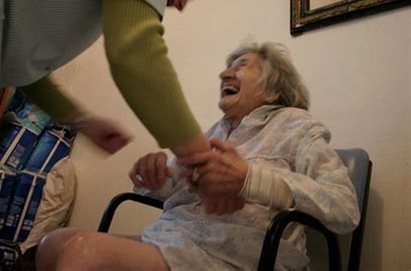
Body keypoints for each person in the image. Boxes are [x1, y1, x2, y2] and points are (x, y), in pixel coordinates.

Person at [35, 41, 360, 270]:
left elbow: (344, 208)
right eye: (226, 67)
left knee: (83, 253)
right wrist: (155, 177)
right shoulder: (215, 132)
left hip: (240, 255)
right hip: (177, 240)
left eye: (241, 66)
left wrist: (253, 180)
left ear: (273, 85)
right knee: (53, 244)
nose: (224, 74)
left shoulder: (296, 126)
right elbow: (175, 189)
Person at [0, 0, 223, 176]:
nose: (184, 5)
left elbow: (25, 63)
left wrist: (82, 122)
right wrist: (202, 158)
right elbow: (134, 53)